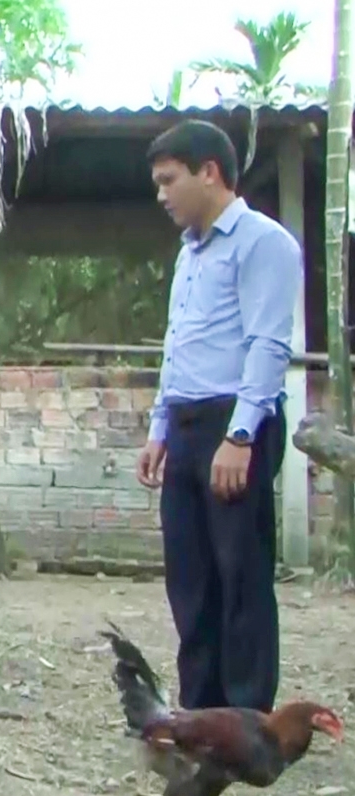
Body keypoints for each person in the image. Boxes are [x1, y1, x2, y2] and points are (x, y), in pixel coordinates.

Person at [136, 120, 300, 714]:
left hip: (235, 423)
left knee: (240, 575)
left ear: (210, 172)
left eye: (168, 180)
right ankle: (201, 710)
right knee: (191, 577)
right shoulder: (189, 255)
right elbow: (178, 346)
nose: (160, 195)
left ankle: (249, 713)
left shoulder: (264, 242)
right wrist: (160, 428)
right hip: (185, 424)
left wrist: (240, 434)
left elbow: (267, 345)